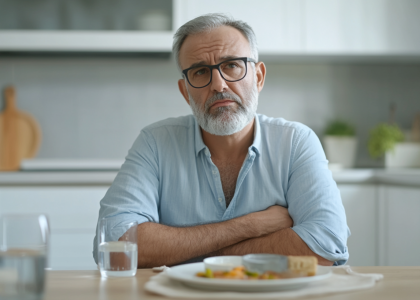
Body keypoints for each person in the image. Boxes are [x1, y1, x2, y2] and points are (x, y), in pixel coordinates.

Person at [93, 13, 350, 268]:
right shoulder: (155, 143)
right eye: (201, 71)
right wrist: (250, 226)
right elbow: (115, 248)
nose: (218, 84)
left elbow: (326, 245)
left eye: (231, 65)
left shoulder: (296, 142)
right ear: (185, 91)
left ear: (258, 77)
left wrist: (188, 252)